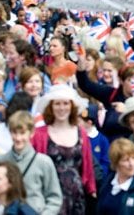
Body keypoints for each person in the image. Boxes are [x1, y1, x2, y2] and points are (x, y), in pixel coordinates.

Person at [0, 111, 63, 215]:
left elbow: (55, 198)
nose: (18, 138)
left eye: (22, 133)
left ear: (31, 133)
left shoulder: (44, 162)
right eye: (14, 133)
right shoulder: (2, 160)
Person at [30, 84, 96, 215]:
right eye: (57, 104)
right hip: (48, 198)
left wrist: (91, 190)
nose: (62, 108)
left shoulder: (81, 133)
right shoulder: (38, 134)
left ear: (72, 107)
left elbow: (87, 166)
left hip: (76, 196)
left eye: (66, 103)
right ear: (51, 107)